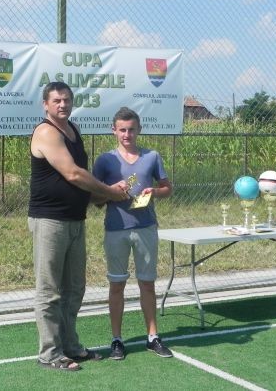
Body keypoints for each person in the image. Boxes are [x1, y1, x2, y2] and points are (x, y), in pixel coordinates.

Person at [28, 82, 130, 372]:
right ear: (45, 105)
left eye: (67, 100)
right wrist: (110, 192)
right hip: (50, 221)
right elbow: (73, 174)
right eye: (56, 100)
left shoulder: (73, 130)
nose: (63, 104)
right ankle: (50, 353)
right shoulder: (46, 132)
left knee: (74, 288)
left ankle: (70, 346)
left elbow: (81, 179)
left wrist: (102, 197)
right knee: (49, 290)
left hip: (75, 220)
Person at [92, 107, 174, 360]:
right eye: (122, 130)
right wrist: (110, 191)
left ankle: (152, 337)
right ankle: (117, 340)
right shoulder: (105, 160)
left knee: (147, 283)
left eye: (131, 129)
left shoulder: (152, 156)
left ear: (139, 130)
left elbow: (167, 188)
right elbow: (94, 199)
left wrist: (153, 192)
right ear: (114, 131)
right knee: (117, 285)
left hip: (146, 227)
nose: (127, 134)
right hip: (116, 230)